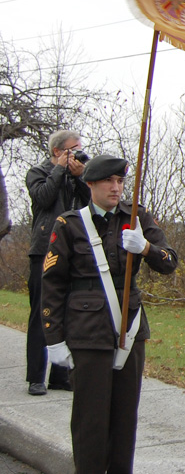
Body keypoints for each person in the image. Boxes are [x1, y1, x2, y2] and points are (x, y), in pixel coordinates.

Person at [40, 154, 178, 474]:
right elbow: (53, 283)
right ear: (90, 184)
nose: (116, 188)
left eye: (120, 181)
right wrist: (53, 337)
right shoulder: (70, 224)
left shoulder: (137, 217)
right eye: (108, 181)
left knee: (125, 419)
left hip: (129, 328)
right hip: (86, 329)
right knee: (90, 419)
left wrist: (146, 248)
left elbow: (169, 262)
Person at [24, 129, 90, 396]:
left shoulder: (77, 177)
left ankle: (60, 375)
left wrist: (81, 177)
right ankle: (36, 377)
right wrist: (59, 170)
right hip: (44, 250)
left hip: (73, 250)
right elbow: (43, 197)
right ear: (57, 151)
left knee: (68, 313)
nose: (78, 154)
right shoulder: (38, 172)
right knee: (41, 313)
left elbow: (90, 205)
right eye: (74, 149)